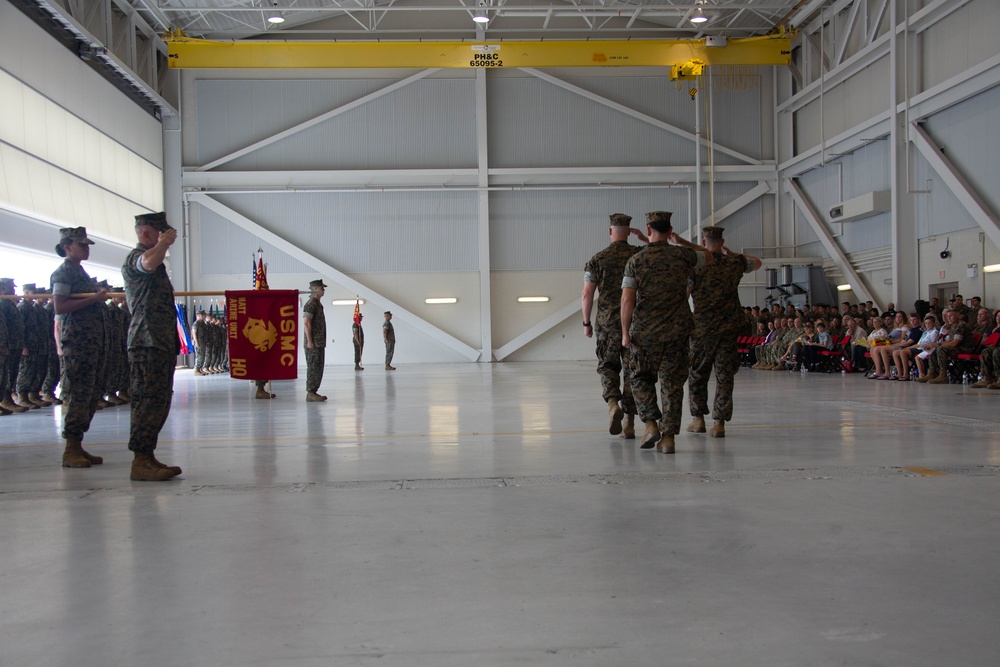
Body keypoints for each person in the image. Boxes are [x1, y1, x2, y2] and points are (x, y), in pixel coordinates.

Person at [621, 211, 713, 454]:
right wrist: (681, 241)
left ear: (648, 230)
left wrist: (624, 333)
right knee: (672, 385)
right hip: (677, 331)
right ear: (670, 230)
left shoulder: (636, 261)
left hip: (645, 332)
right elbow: (710, 257)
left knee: (640, 378)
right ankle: (669, 438)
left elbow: (627, 301)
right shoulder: (683, 255)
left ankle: (650, 423)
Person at [685, 225, 761, 438]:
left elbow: (685, 294)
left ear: (703, 242)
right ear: (722, 241)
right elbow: (757, 262)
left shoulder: (696, 267)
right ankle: (719, 423)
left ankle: (698, 420)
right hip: (728, 330)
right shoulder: (734, 264)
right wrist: (732, 254)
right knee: (724, 376)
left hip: (702, 329)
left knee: (698, 374)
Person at [122, 212, 182, 481]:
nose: (165, 236)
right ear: (146, 234)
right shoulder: (136, 258)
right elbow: (146, 262)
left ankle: (148, 455)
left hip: (159, 342)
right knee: (146, 401)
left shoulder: (156, 262)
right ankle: (141, 460)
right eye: (159, 232)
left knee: (159, 401)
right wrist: (164, 244)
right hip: (146, 342)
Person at [582, 213, 648, 437]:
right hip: (634, 324)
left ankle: (612, 405)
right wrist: (645, 240)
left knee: (608, 367)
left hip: (607, 323)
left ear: (611, 231)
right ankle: (629, 424)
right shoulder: (638, 255)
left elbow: (587, 294)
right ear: (629, 231)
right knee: (632, 372)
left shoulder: (597, 259)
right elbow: (659, 250)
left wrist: (586, 323)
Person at [50, 227, 108, 467]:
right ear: (67, 247)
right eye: (81, 244)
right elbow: (59, 307)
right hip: (77, 342)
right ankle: (70, 448)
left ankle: (78, 444)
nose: (86, 249)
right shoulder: (63, 273)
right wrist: (94, 299)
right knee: (78, 393)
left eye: (87, 245)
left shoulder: (79, 272)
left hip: (91, 342)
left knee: (91, 393)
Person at [303, 279, 328, 401]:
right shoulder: (311, 303)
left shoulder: (317, 304)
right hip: (313, 343)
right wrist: (309, 341)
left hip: (319, 342)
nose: (323, 290)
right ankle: (311, 392)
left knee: (318, 367)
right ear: (315, 289)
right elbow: (306, 323)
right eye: (321, 287)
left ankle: (313, 391)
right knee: (313, 367)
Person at [192, 310, 208, 375]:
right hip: (199, 342)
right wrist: (196, 342)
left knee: (203, 356)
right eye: (203, 315)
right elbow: (194, 333)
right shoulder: (196, 323)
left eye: (204, 315)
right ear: (198, 315)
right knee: (199, 356)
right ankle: (196, 370)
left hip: (203, 342)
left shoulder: (203, 324)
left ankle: (200, 369)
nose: (204, 317)